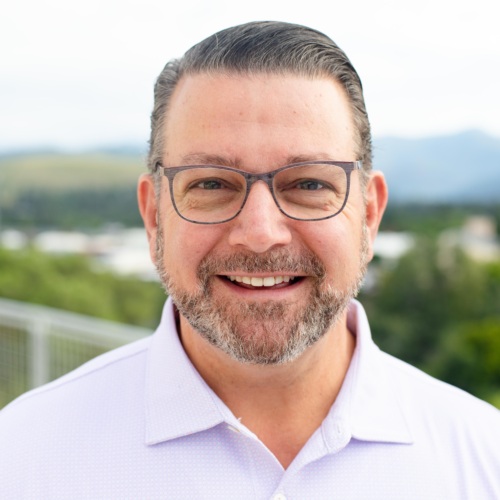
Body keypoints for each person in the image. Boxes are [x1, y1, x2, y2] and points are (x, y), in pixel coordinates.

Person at [1, 21, 499, 499]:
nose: (260, 235)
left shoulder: (483, 461)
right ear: (154, 215)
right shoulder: (23, 458)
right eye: (212, 184)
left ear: (368, 213)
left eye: (308, 183)